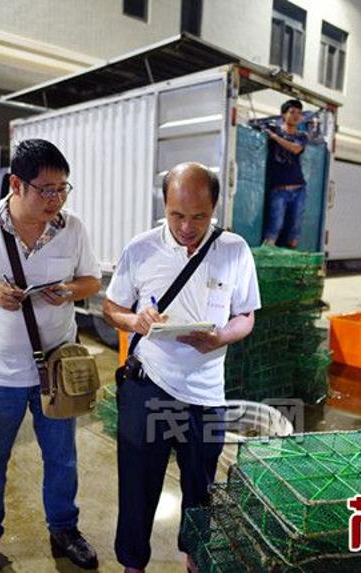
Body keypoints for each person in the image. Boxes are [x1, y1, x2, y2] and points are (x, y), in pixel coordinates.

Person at [0, 139, 101, 572]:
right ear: (15, 184)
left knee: (62, 457)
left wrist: (70, 292)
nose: (56, 199)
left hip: (56, 372)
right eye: (46, 189)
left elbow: (90, 281)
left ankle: (64, 529)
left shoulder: (73, 227)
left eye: (63, 189)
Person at [103, 162, 261, 573]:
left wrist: (220, 337)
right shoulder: (141, 248)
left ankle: (195, 559)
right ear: (165, 204)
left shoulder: (234, 250)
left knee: (201, 489)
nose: (187, 227)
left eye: (199, 217)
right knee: (137, 486)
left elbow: (246, 316)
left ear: (214, 209)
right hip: (149, 385)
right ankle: (133, 564)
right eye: (177, 215)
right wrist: (133, 321)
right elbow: (112, 306)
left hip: (207, 394)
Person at [261, 99, 309, 248]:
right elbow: (260, 125)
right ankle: (268, 257)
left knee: (295, 227)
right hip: (279, 189)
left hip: (298, 188)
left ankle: (292, 264)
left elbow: (296, 149)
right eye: (292, 112)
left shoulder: (302, 136)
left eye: (299, 113)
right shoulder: (275, 129)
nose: (296, 116)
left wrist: (275, 138)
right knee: (275, 225)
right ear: (283, 114)